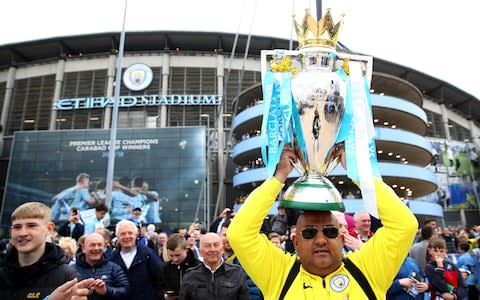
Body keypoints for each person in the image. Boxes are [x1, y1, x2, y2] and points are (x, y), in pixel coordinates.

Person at [227, 145, 418, 299]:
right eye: (309, 233)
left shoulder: (368, 268)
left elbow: (404, 225)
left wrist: (360, 175)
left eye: (330, 232)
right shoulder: (279, 273)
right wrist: (278, 178)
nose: (320, 240)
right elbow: (240, 234)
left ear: (342, 239)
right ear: (296, 243)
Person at [0, 202, 81, 299]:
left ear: (49, 228)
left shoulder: (67, 277)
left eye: (31, 225)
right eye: (17, 227)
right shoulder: (2, 273)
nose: (22, 233)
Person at [179, 232, 249, 300]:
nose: (212, 249)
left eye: (216, 245)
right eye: (207, 246)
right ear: (200, 251)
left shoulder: (237, 273)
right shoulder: (190, 276)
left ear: (222, 249)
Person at [110, 220, 163, 300]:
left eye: (130, 233)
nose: (127, 236)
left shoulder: (148, 255)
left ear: (136, 235)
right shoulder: (112, 258)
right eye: (123, 234)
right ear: (117, 237)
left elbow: (160, 278)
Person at [73, 232, 129, 299]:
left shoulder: (114, 268)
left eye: (99, 245)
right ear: (83, 248)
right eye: (92, 245)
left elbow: (126, 291)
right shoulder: (72, 270)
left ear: (104, 247)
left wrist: (106, 290)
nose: (96, 248)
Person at [157, 233, 200, 299]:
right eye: (171, 256)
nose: (175, 259)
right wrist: (164, 296)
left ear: (186, 250)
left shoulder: (198, 266)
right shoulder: (165, 268)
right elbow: (158, 288)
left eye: (178, 255)